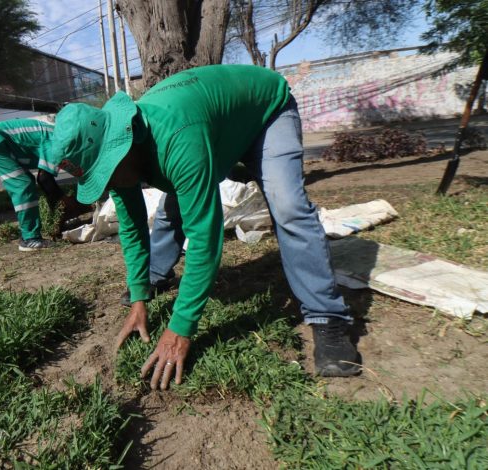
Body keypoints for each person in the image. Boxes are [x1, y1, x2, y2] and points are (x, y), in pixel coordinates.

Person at [51, 64, 361, 389]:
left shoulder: (176, 139)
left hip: (267, 112)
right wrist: (139, 297)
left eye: (108, 172)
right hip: (216, 128)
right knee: (176, 205)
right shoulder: (118, 153)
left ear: (122, 142)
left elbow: (205, 238)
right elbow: (131, 227)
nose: (110, 182)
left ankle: (327, 316)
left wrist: (180, 328)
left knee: (288, 207)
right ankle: (156, 277)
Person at [0, 118, 84, 252]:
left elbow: (46, 177)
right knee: (22, 184)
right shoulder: (57, 141)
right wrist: (62, 202)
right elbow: (44, 179)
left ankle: (29, 234)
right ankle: (30, 239)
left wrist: (59, 207)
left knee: (25, 181)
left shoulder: (60, 137)